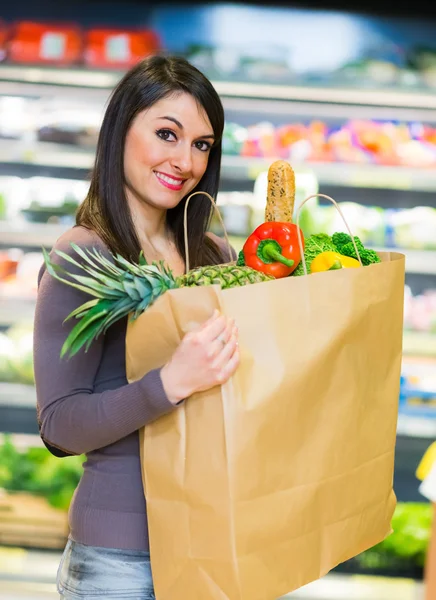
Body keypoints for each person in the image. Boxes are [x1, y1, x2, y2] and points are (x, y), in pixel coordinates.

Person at [33, 55, 239, 599]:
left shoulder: (215, 254)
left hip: (218, 539)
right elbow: (60, 426)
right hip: (121, 560)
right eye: (167, 134)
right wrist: (169, 383)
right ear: (120, 130)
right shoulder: (84, 256)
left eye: (201, 144)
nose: (185, 160)